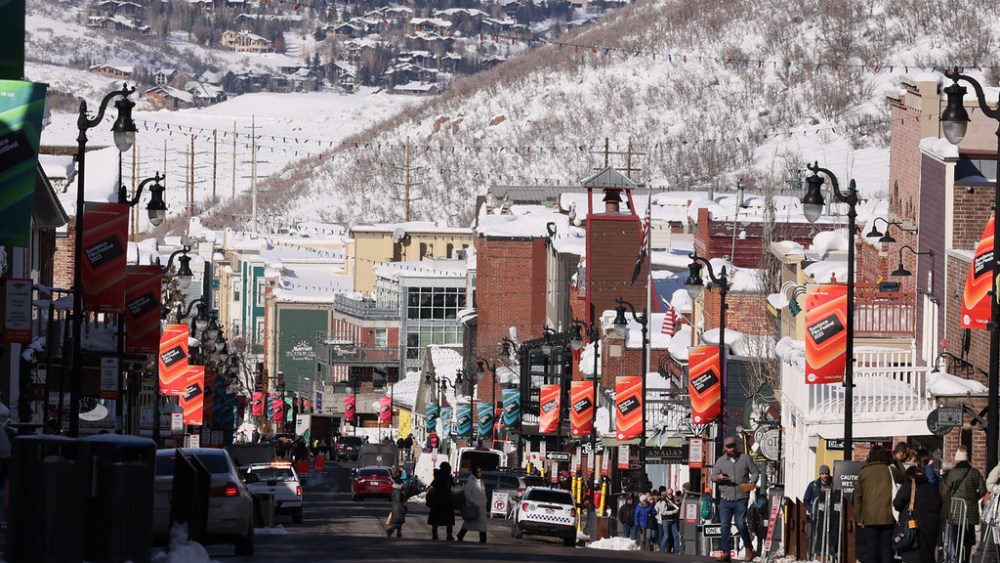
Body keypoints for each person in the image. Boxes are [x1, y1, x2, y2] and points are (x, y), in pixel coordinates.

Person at [710, 436, 760, 562]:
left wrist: (752, 482)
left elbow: (755, 472)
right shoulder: (721, 461)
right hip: (725, 499)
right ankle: (726, 553)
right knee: (725, 526)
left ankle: (748, 548)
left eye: (733, 446)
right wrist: (719, 477)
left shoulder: (745, 458)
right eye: (729, 447)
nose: (731, 449)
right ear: (725, 448)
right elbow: (712, 476)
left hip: (741, 497)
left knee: (740, 524)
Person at [855, 445, 902, 563]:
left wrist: (859, 517)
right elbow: (905, 477)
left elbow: (858, 497)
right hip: (887, 517)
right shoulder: (890, 470)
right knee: (886, 549)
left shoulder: (864, 472)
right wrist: (896, 461)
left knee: (871, 549)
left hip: (869, 517)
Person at [942, 447, 986, 563]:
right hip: (970, 514)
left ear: (957, 460)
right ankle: (966, 559)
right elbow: (983, 490)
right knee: (968, 540)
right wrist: (973, 498)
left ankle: (956, 559)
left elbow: (946, 491)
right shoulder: (974, 473)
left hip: (955, 512)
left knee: (956, 539)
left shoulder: (951, 473)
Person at [892, 465, 941, 563]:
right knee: (927, 555)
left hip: (914, 526)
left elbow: (897, 503)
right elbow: (938, 505)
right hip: (931, 527)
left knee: (913, 554)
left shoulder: (909, 483)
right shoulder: (932, 487)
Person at [457, 465, 488, 543]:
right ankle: (461, 534)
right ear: (475, 473)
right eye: (479, 472)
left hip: (481, 506)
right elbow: (467, 493)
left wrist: (485, 501)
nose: (480, 473)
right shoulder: (471, 481)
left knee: (482, 524)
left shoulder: (481, 482)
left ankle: (483, 539)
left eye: (481, 472)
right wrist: (472, 501)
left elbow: (483, 493)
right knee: (469, 522)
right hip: (473, 506)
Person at [427, 462, 455, 541]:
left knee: (437, 519)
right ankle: (447, 535)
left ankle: (436, 534)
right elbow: (449, 486)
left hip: (438, 500)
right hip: (443, 500)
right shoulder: (443, 477)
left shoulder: (439, 476)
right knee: (448, 518)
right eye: (448, 468)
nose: (449, 469)